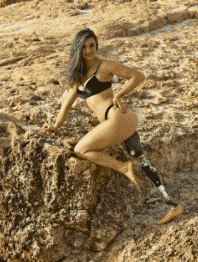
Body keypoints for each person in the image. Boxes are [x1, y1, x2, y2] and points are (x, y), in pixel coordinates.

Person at [45, 28, 145, 186]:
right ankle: (127, 167)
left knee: (80, 150)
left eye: (92, 45)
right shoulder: (78, 78)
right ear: (78, 49)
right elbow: (67, 105)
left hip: (118, 117)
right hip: (115, 123)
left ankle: (124, 168)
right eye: (84, 47)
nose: (88, 50)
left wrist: (119, 95)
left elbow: (138, 76)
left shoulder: (104, 66)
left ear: (97, 46)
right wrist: (56, 126)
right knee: (86, 149)